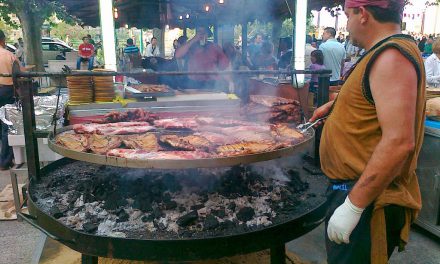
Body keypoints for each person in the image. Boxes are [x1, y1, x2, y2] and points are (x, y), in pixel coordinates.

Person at [309, 0, 425, 263]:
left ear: (362, 14)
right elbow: (374, 100)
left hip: (367, 199)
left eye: (348, 16)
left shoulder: (391, 56)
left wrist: (353, 206)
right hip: (356, 192)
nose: (346, 25)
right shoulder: (382, 52)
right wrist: (337, 107)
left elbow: (398, 142)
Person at [0, 30, 24, 170]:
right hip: (5, 92)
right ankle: (5, 161)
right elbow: (21, 73)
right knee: (7, 125)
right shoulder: (9, 55)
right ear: (2, 40)